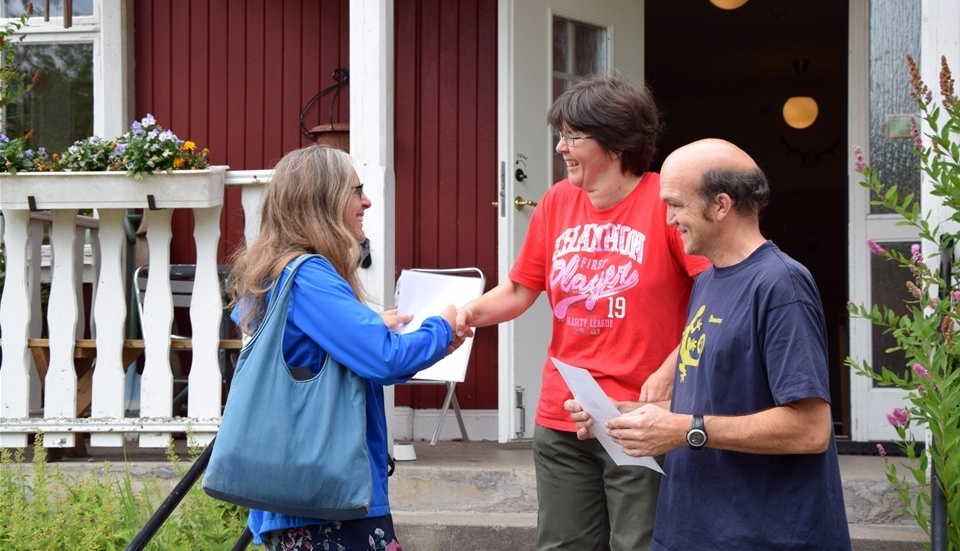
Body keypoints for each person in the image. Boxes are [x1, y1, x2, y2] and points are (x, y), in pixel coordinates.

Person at [455, 73, 711, 550]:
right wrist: (472, 311)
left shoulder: (664, 203)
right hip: (562, 415)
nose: (560, 148)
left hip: (640, 418)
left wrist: (672, 368)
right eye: (560, 135)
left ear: (615, 144)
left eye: (573, 136)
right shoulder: (557, 202)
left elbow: (716, 294)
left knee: (640, 544)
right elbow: (519, 288)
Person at [567, 138, 851, 550]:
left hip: (761, 537)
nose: (668, 219)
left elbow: (809, 429)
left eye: (676, 204)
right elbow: (717, 400)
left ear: (721, 205)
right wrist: (623, 415)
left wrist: (686, 430)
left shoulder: (781, 284)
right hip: (691, 529)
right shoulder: (706, 282)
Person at [228, 144, 462, 551]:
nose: (366, 201)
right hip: (325, 506)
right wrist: (442, 329)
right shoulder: (309, 276)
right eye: (356, 190)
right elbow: (385, 358)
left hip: (300, 500)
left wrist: (371, 325)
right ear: (323, 201)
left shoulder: (275, 271)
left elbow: (309, 346)